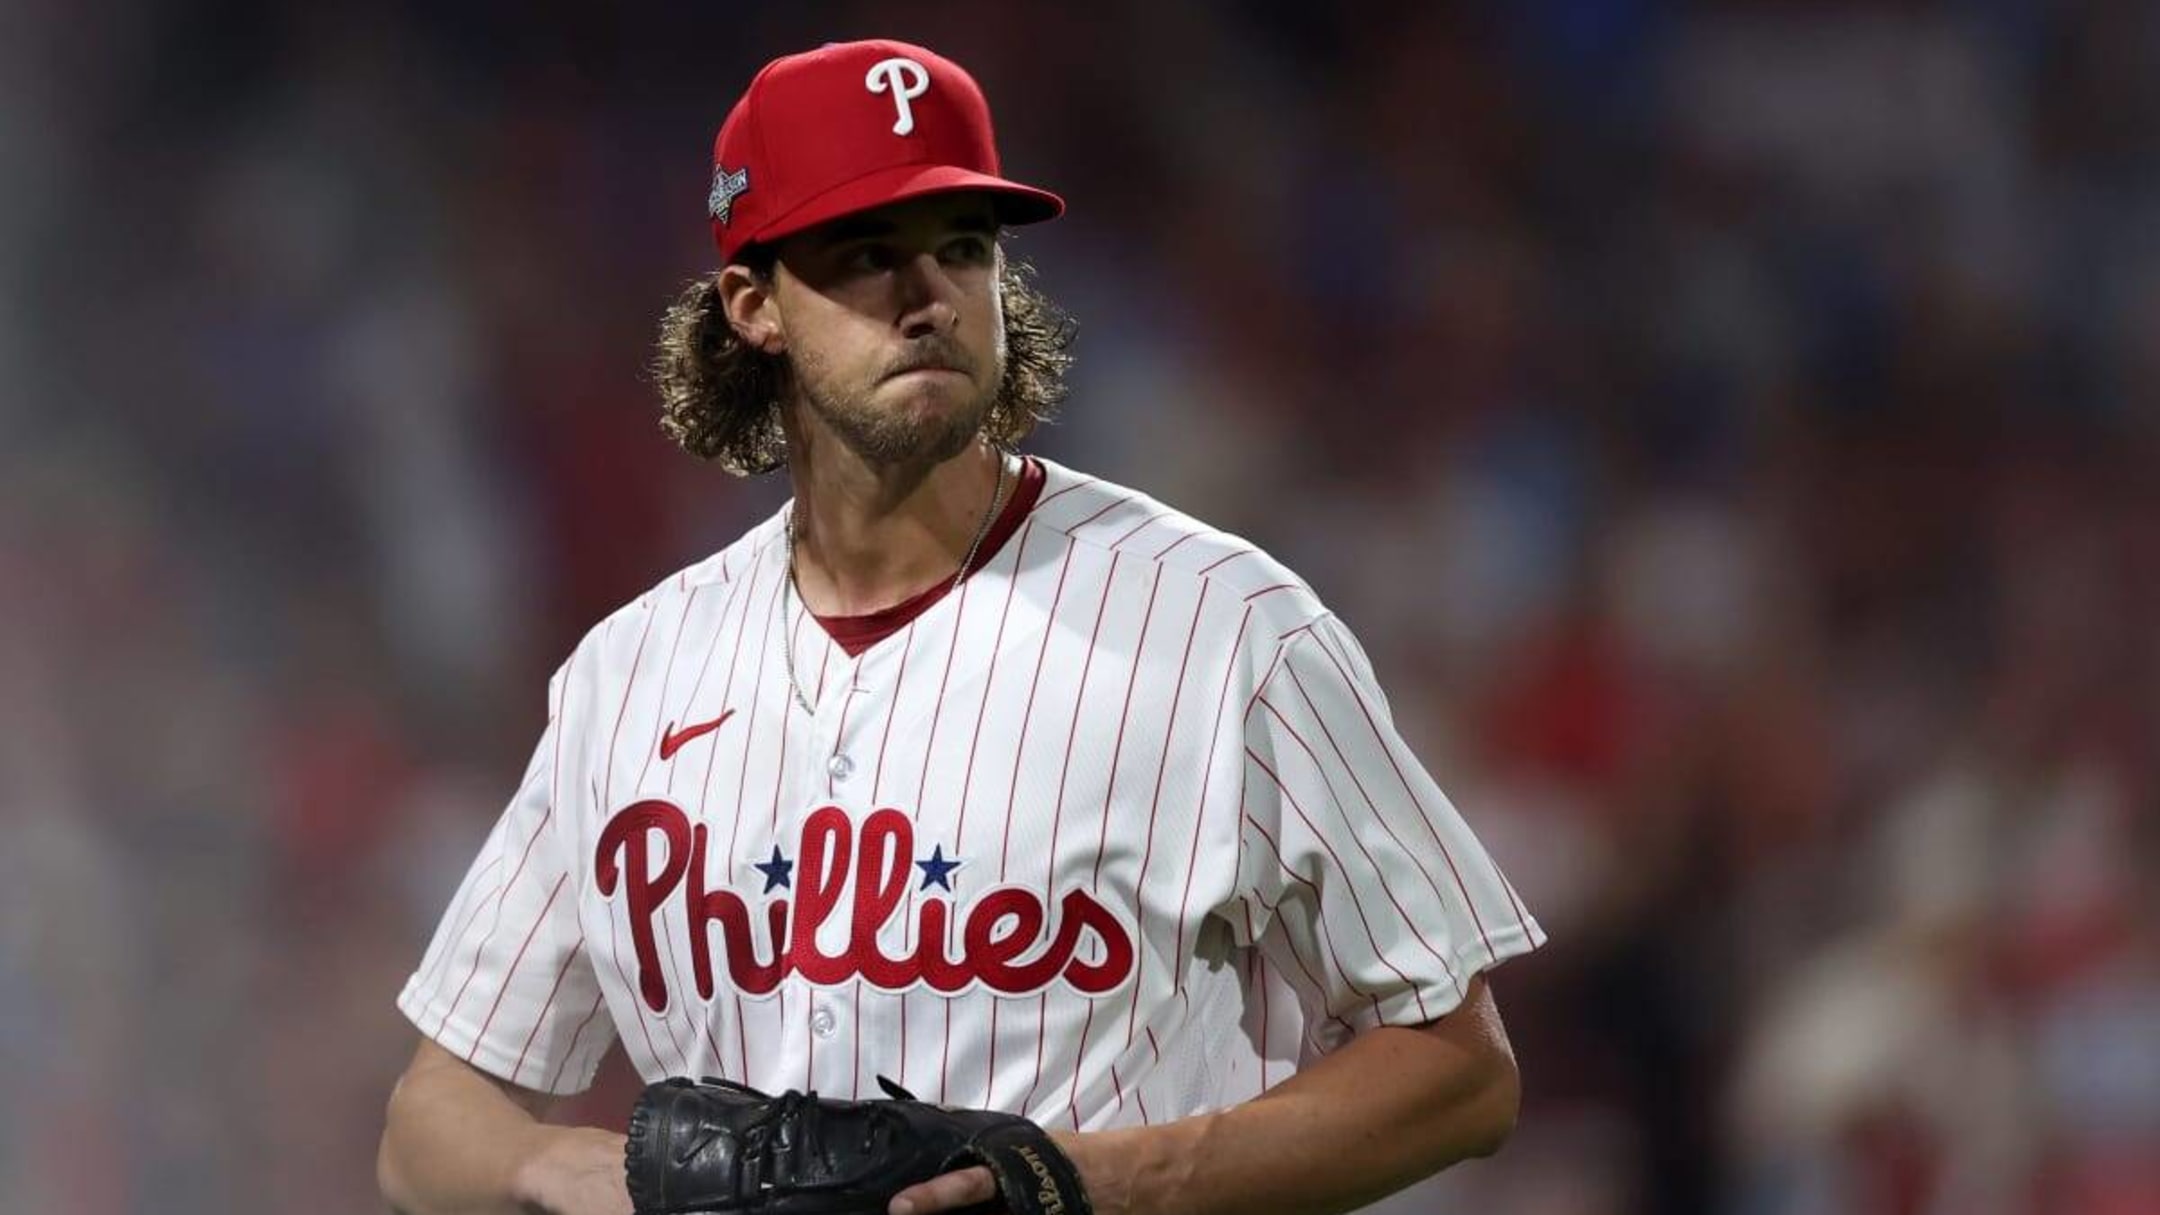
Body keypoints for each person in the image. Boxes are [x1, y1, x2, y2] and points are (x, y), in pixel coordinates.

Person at [377, 37, 1545, 1215]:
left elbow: (1461, 1074)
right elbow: (429, 1120)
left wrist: (1104, 1182)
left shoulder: (1225, 628)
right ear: (753, 306)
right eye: (867, 254)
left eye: (963, 247)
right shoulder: (627, 678)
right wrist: (567, 1170)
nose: (928, 295)